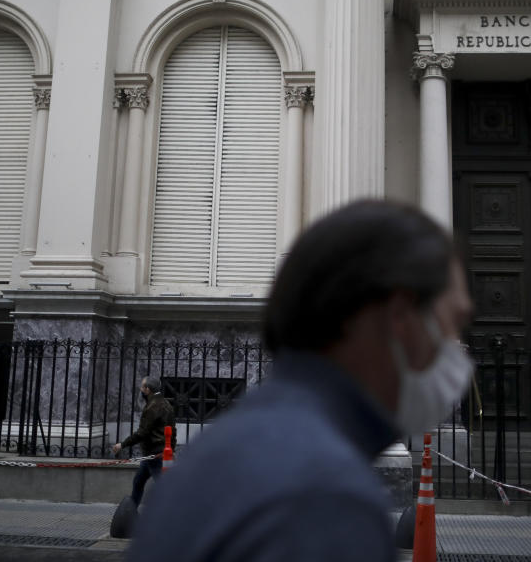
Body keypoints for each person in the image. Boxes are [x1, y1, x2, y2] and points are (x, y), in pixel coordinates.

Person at [129, 200, 474, 562]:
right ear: (399, 318)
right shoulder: (327, 495)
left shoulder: (236, 445)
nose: (456, 350)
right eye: (451, 322)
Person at [113, 375, 176, 507]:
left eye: (142, 387)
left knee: (164, 488)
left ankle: (171, 516)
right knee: (138, 482)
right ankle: (131, 513)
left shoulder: (152, 407)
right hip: (155, 454)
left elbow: (142, 433)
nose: (140, 389)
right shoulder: (166, 403)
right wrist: (171, 449)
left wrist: (122, 444)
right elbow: (172, 430)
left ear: (147, 389)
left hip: (155, 454)